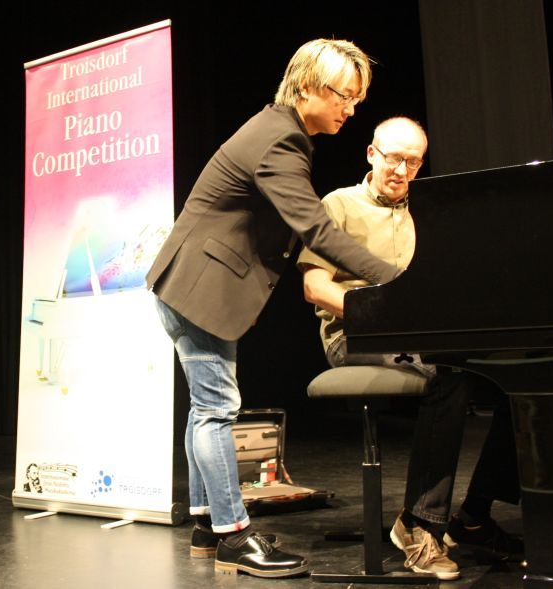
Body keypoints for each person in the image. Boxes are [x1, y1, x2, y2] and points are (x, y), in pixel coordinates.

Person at [145, 39, 399, 579]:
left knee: (205, 408)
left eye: (356, 99)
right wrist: (395, 278)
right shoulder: (279, 140)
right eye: (343, 96)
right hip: (199, 288)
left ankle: (206, 526)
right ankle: (235, 537)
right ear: (307, 85)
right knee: (217, 409)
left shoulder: (279, 131)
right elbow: (316, 227)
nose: (350, 110)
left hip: (195, 286)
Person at [297, 117, 523, 580]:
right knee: (446, 379)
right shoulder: (338, 205)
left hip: (422, 340)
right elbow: (316, 289)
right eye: (393, 158)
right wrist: (386, 318)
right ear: (371, 154)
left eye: (412, 162)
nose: (401, 170)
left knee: (518, 380)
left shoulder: (430, 212)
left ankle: (474, 515)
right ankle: (419, 525)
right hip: (354, 338)